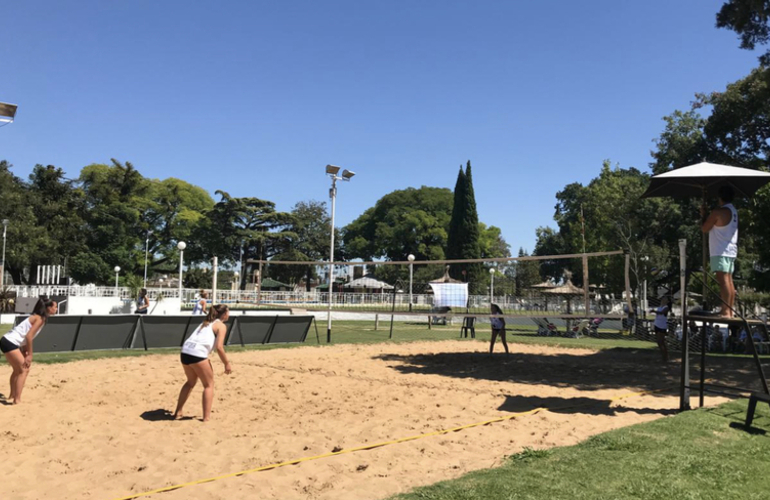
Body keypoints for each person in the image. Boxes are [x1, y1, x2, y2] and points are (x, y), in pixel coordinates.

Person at [173, 304, 232, 421]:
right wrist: (226, 363)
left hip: (185, 352)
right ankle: (206, 418)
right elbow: (219, 347)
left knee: (190, 382)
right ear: (224, 314)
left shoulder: (206, 322)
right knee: (209, 385)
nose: (229, 314)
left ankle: (178, 412)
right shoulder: (220, 325)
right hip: (197, 354)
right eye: (228, 311)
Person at [1, 298, 58, 404]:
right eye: (55, 306)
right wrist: (30, 355)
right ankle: (16, 400)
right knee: (24, 370)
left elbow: (23, 336)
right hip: (10, 342)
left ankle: (12, 396)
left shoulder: (36, 317)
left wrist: (25, 350)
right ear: (48, 308)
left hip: (6, 341)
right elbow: (28, 337)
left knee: (17, 370)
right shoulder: (40, 319)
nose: (56, 309)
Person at [701, 185, 738, 318]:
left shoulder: (718, 211)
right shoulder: (733, 211)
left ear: (720, 197)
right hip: (730, 249)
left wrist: (703, 215)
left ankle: (726, 311)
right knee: (729, 281)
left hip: (720, 250)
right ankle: (730, 310)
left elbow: (705, 228)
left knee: (723, 282)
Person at [651, 297, 670, 362]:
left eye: (665, 299)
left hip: (662, 326)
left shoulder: (666, 307)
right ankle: (663, 356)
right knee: (659, 342)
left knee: (661, 341)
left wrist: (654, 311)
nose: (663, 300)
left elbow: (662, 312)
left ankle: (666, 357)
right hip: (657, 324)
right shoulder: (660, 306)